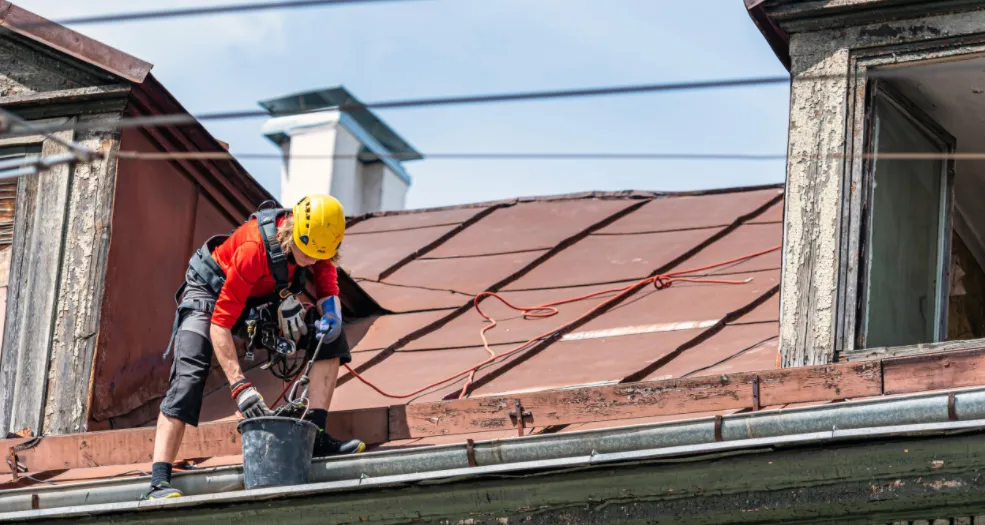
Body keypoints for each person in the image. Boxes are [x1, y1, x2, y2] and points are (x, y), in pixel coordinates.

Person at [143, 194, 364, 500]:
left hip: (254, 302)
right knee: (190, 374)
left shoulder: (319, 243)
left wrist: (331, 316)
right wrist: (240, 387)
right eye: (307, 253)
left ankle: (316, 432)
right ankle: (158, 481)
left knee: (329, 336)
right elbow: (220, 323)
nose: (312, 261)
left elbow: (329, 291)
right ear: (293, 232)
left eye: (319, 256)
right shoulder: (253, 250)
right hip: (211, 294)